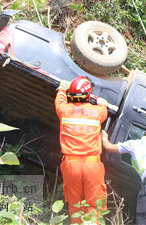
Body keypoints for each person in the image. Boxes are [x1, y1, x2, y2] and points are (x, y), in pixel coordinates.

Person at [55, 76, 109, 224]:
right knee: (95, 206)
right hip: (92, 165)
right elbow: (104, 106)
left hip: (71, 166)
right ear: (88, 95)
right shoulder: (98, 112)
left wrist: (62, 88)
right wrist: (101, 102)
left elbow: (60, 100)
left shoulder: (64, 110)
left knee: (76, 207)